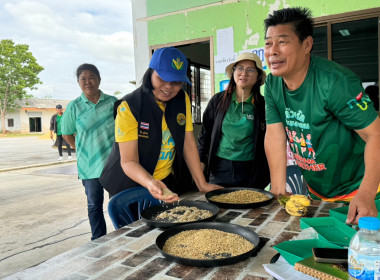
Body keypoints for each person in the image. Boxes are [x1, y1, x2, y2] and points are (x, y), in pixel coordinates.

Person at [263, 7, 380, 225]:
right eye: (268, 43)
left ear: (306, 45)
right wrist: (278, 188)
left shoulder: (335, 82)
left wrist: (367, 192)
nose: (273, 51)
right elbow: (274, 135)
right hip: (317, 193)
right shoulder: (272, 84)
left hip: (361, 191)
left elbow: (375, 135)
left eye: (283, 42)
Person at [102, 47, 222, 203]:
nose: (168, 87)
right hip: (130, 184)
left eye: (176, 82)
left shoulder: (181, 99)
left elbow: (188, 144)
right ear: (151, 72)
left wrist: (202, 183)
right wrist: (150, 182)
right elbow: (129, 161)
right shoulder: (129, 106)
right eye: (162, 78)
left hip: (165, 181)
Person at [197, 52, 270, 189]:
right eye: (240, 68)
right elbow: (205, 134)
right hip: (219, 169)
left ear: (258, 76)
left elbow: (271, 139)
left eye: (251, 70)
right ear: (233, 72)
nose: (244, 73)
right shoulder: (217, 101)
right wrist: (200, 165)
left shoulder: (262, 105)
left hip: (251, 170)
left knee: (250, 209)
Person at [61, 64, 117, 240]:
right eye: (83, 79)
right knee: (94, 205)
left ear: (99, 80)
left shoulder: (113, 103)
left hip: (113, 164)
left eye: (91, 77)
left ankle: (125, 234)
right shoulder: (74, 107)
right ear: (78, 82)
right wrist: (83, 148)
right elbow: (67, 134)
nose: (87, 82)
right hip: (89, 166)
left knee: (118, 203)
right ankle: (98, 240)